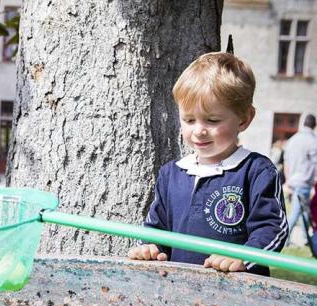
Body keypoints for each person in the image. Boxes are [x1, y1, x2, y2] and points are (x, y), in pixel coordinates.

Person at [127, 52, 288, 276]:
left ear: (244, 119)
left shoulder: (257, 171)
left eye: (212, 120)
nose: (199, 130)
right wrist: (151, 248)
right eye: (189, 120)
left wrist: (244, 256)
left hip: (239, 294)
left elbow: (272, 229)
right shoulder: (171, 174)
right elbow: (156, 228)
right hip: (178, 289)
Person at [283, 113, 317, 245]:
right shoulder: (313, 141)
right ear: (314, 125)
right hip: (304, 181)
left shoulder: (293, 139)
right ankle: (285, 238)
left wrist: (288, 180)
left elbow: (286, 161)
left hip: (293, 180)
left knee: (303, 211)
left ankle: (305, 238)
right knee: (297, 212)